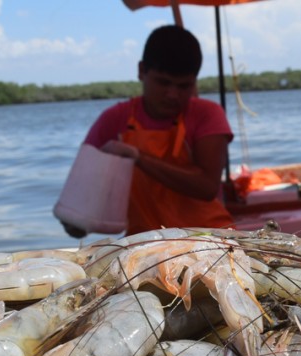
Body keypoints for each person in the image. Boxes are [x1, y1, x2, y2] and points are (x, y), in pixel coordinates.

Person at [63, 25, 234, 237]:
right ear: (141, 70)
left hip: (210, 238)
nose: (172, 94)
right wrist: (77, 217)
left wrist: (138, 157)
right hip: (143, 246)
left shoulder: (208, 114)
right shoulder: (113, 120)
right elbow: (75, 226)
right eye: (163, 82)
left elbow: (207, 186)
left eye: (183, 86)